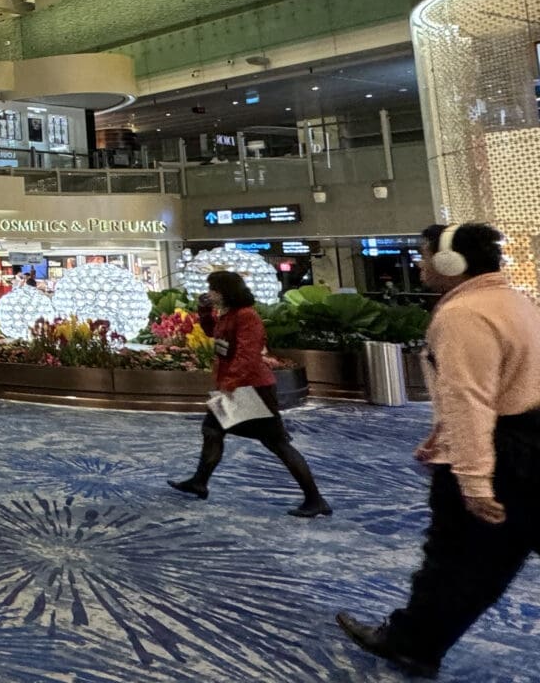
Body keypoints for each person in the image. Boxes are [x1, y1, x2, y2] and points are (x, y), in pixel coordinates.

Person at [338, 223, 540, 677]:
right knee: (485, 560)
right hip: (528, 440)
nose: (421, 263)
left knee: (455, 559)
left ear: (451, 263)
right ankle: (413, 640)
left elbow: (470, 400)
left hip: (500, 452)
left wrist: (472, 478)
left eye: (426, 254)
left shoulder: (463, 314)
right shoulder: (514, 301)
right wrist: (440, 441)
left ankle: (412, 645)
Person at [170, 270, 331, 518]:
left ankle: (315, 498)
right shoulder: (228, 314)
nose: (210, 293)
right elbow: (213, 333)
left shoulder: (246, 316)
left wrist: (230, 384)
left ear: (225, 291)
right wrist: (204, 312)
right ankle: (199, 481)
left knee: (276, 443)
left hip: (251, 387)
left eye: (213, 289)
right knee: (212, 431)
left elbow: (248, 354)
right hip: (236, 386)